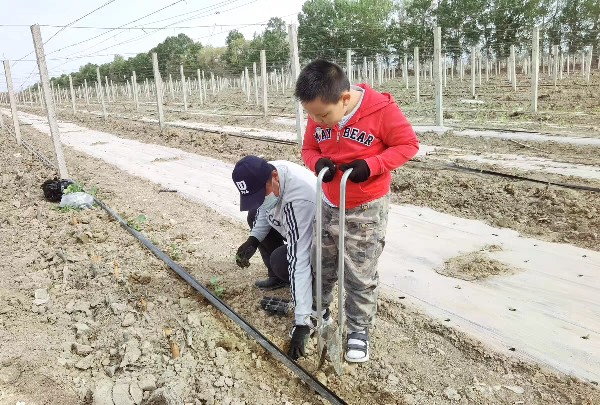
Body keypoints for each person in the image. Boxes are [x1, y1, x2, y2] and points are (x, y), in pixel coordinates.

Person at [296, 60, 419, 363]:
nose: (316, 120)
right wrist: (316, 163)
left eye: (322, 114)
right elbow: (309, 150)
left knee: (359, 272)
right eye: (310, 114)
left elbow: (408, 144)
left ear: (345, 99)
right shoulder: (318, 114)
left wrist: (372, 165)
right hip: (328, 202)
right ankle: (318, 312)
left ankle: (358, 329)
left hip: (365, 208)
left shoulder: (381, 111)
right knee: (321, 264)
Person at [232, 155, 318, 359]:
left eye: (263, 193)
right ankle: (278, 278)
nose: (262, 199)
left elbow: (300, 259)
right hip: (292, 225)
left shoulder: (300, 200)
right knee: (254, 215)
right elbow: (264, 209)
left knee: (282, 261)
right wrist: (253, 239)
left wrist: (302, 321)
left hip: (318, 243)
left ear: (275, 177)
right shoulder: (269, 174)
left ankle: (312, 289)